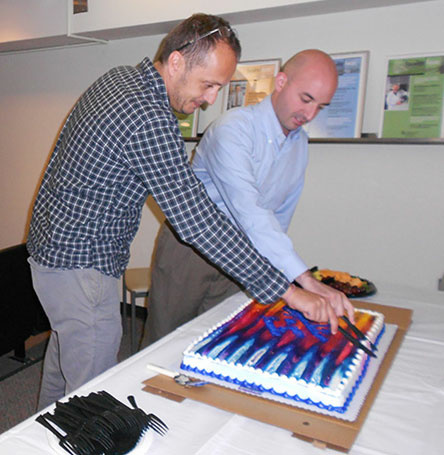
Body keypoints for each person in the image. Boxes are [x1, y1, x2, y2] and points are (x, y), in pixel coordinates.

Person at [26, 15, 352, 410]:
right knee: (92, 392)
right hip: (80, 265)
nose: (212, 99)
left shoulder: (122, 78)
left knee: (64, 366)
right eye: (209, 84)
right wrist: (287, 290)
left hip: (55, 256)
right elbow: (196, 218)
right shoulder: (147, 114)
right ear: (177, 62)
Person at [142, 49, 354, 346]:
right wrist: (303, 280)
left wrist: (284, 273)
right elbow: (251, 212)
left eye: (320, 107)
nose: (308, 114)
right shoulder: (233, 129)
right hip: (190, 250)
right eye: (305, 99)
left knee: (221, 339)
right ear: (280, 82)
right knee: (165, 341)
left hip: (243, 254)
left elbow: (278, 218)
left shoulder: (300, 144)